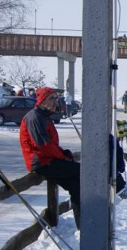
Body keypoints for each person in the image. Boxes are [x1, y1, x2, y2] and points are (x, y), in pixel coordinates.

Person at [19, 87, 81, 228]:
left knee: (77, 185)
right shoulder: (34, 117)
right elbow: (44, 145)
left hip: (48, 160)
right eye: (51, 98)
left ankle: (82, 225)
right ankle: (83, 224)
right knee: (80, 171)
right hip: (41, 162)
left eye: (56, 98)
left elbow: (51, 144)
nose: (55, 102)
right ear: (42, 101)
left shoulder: (44, 117)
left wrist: (63, 153)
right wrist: (62, 157)